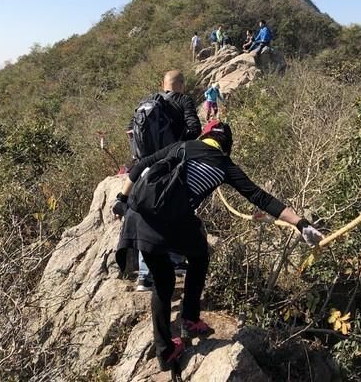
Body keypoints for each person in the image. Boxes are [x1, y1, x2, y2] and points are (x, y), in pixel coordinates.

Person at [113, 120, 324, 373]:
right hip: (170, 221)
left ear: (205, 136)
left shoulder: (182, 146)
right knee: (200, 256)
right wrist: (301, 224)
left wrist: (121, 199)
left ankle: (165, 350)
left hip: (139, 217)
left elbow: (139, 166)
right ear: (226, 146)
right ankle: (190, 319)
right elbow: (261, 198)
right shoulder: (224, 165)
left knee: (162, 282)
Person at [126, 70, 202, 291]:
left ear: (163, 84)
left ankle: (144, 276)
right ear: (182, 85)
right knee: (176, 210)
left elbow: (130, 131)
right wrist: (177, 148)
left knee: (147, 215)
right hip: (171, 166)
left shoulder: (146, 101)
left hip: (146, 167)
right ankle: (176, 259)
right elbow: (194, 129)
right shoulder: (183, 100)